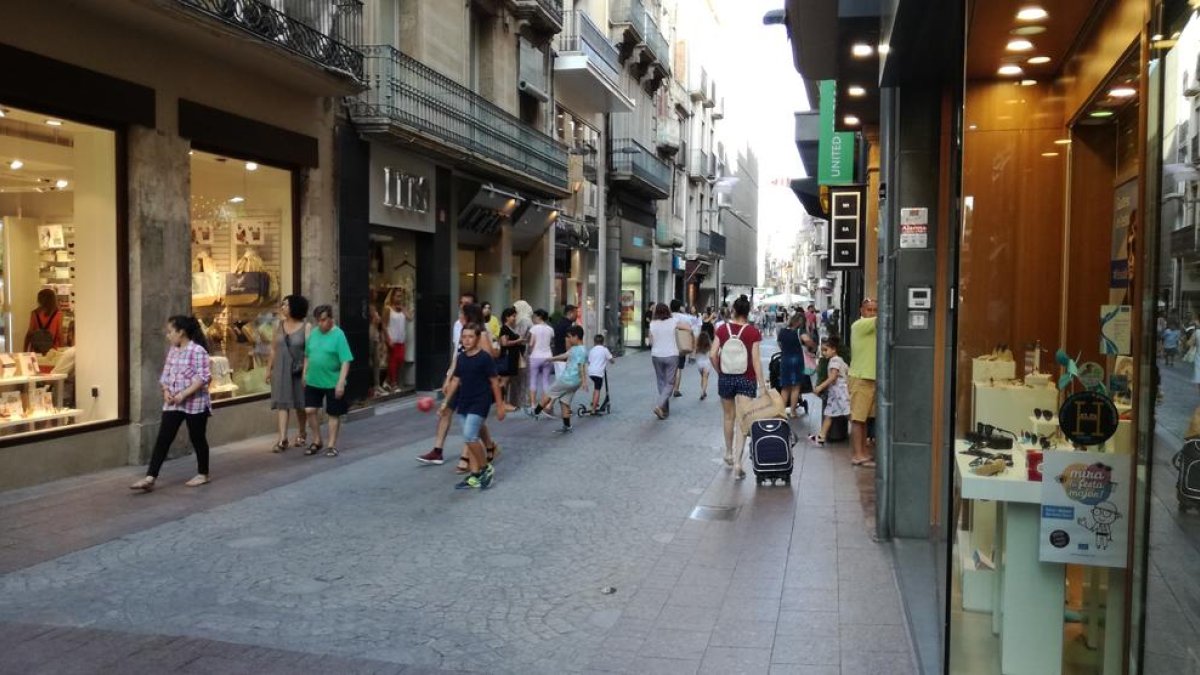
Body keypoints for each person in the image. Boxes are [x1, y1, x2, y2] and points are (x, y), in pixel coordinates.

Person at [129, 316, 212, 491]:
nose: (168, 335)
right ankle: (150, 477)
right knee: (163, 438)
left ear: (181, 332)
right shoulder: (173, 350)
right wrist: (166, 391)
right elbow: (166, 374)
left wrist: (183, 394)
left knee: (197, 438)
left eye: (170, 332)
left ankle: (203, 473)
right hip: (173, 403)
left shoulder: (197, 351)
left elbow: (203, 378)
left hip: (195, 404)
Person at [418, 303, 502, 470]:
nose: (459, 316)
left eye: (462, 313)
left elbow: (490, 370)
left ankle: (476, 465)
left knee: (471, 431)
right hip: (462, 388)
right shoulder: (463, 340)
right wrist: (448, 380)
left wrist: (500, 404)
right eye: (465, 338)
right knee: (467, 428)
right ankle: (477, 459)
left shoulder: (482, 339)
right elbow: (458, 360)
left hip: (478, 391)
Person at [440, 323, 506, 489]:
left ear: (477, 339)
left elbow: (494, 382)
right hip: (464, 401)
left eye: (471, 337)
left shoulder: (485, 358)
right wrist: (445, 402)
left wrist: (500, 405)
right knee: (469, 439)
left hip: (480, 401)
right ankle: (475, 475)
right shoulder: (461, 358)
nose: (467, 340)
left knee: (470, 436)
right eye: (464, 337)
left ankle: (485, 468)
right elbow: (456, 380)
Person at [712, 295, 765, 479]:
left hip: (726, 377)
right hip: (746, 378)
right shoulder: (753, 332)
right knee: (742, 421)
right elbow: (756, 361)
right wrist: (763, 386)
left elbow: (712, 354)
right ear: (748, 311)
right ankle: (737, 462)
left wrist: (720, 371)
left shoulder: (722, 329)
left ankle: (727, 452)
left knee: (728, 417)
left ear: (733, 310)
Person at [302, 305, 353, 458]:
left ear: (331, 319)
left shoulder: (339, 335)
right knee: (309, 410)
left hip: (332, 380)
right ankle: (317, 440)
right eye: (318, 320)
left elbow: (345, 360)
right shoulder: (314, 334)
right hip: (313, 379)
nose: (320, 324)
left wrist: (341, 382)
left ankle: (331, 445)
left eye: (323, 320)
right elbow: (307, 355)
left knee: (333, 413)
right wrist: (305, 372)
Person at [266, 294, 311, 452]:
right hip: (281, 369)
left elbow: (308, 352)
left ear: (294, 307)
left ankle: (302, 432)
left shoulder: (306, 326)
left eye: (286, 305)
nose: (282, 307)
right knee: (282, 403)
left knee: (300, 404)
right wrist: (268, 369)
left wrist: (305, 371)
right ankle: (282, 439)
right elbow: (273, 348)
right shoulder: (279, 325)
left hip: (298, 370)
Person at [528, 325, 588, 433]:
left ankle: (536, 412)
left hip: (568, 379)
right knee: (564, 401)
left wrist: (584, 381)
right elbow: (565, 355)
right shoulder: (580, 349)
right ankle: (567, 426)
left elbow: (581, 366)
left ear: (576, 337)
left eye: (570, 337)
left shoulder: (579, 350)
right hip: (575, 382)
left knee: (550, 392)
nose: (568, 339)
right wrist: (551, 359)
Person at [848, 298, 878, 468]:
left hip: (870, 378)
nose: (872, 313)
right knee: (858, 419)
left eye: (875, 310)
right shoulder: (859, 325)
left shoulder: (872, 328)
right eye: (869, 310)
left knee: (865, 419)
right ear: (862, 311)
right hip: (861, 378)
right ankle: (858, 455)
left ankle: (863, 452)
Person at [648, 303, 687, 420]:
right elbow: (688, 328)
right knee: (670, 383)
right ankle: (660, 406)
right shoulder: (673, 321)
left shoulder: (652, 324)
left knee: (661, 381)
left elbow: (650, 342)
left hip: (656, 355)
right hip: (671, 354)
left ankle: (664, 410)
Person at [809, 337, 850, 447]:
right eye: (822, 350)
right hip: (836, 394)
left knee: (848, 414)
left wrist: (820, 387)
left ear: (834, 349)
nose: (824, 353)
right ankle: (821, 437)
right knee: (829, 414)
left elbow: (833, 377)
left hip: (839, 393)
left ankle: (862, 437)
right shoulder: (838, 359)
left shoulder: (835, 361)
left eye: (826, 350)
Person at [777, 310, 808, 418]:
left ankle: (781, 411)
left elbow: (780, 344)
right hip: (796, 361)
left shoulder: (782, 331)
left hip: (785, 360)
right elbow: (807, 340)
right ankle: (793, 411)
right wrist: (811, 346)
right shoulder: (799, 332)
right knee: (795, 387)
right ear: (799, 322)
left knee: (785, 387)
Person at [383, 291, 411, 391]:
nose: (399, 298)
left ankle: (387, 381)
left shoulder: (402, 309)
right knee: (393, 361)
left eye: (401, 296)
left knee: (400, 360)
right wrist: (388, 339)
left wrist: (403, 309)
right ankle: (393, 383)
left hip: (401, 339)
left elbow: (410, 318)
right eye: (398, 296)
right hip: (392, 339)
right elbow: (384, 325)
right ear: (392, 297)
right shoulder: (388, 309)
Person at [527, 309, 555, 407]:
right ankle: (545, 404)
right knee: (546, 380)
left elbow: (531, 343)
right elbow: (551, 343)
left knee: (533, 379)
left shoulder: (534, 328)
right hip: (548, 356)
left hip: (535, 356)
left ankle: (533, 404)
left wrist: (529, 352)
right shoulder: (550, 329)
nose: (533, 318)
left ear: (539, 317)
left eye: (534, 316)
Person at [498, 307, 524, 410]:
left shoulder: (510, 328)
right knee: (504, 381)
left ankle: (505, 402)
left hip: (512, 358)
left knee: (507, 381)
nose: (515, 318)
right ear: (507, 317)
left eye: (515, 316)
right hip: (507, 358)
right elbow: (504, 343)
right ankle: (502, 403)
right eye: (513, 316)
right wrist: (518, 341)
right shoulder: (504, 328)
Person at [24, 288, 64, 354]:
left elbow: (29, 333)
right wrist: (62, 349)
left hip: (37, 350)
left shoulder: (35, 313)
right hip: (53, 350)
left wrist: (25, 350)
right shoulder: (58, 314)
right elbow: (59, 334)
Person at [670, 299, 696, 398]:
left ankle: (668, 387)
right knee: (678, 368)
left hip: (669, 345)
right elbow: (690, 329)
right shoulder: (685, 318)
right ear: (680, 307)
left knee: (669, 368)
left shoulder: (667, 317)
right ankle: (676, 389)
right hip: (681, 345)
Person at [587, 333, 614, 414]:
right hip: (598, 373)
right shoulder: (604, 349)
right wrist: (612, 361)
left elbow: (589, 361)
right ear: (603, 342)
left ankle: (594, 403)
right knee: (598, 389)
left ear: (594, 342)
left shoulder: (592, 350)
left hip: (591, 372)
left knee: (596, 388)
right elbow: (611, 360)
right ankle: (593, 409)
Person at [552, 304, 578, 377]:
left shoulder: (559, 323)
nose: (577, 315)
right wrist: (570, 357)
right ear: (570, 313)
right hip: (564, 358)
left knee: (560, 379)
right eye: (576, 313)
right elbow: (568, 342)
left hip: (558, 355)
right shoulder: (568, 326)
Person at [694, 331, 713, 400]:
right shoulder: (709, 345)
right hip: (707, 363)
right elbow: (712, 353)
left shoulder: (698, 345)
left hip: (699, 363)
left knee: (702, 377)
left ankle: (703, 391)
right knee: (705, 378)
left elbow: (695, 353)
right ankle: (703, 391)